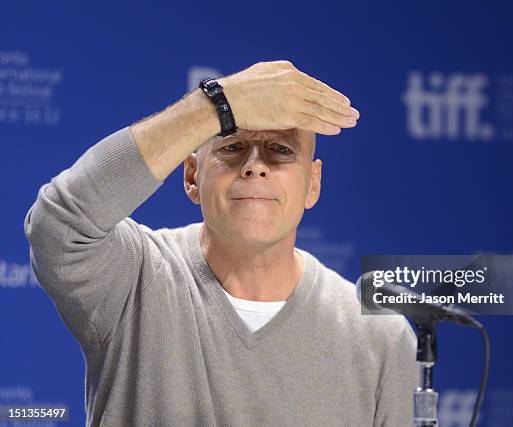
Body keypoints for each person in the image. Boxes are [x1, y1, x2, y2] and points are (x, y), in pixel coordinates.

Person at [24, 60, 418, 426]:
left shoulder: (380, 337)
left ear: (313, 184)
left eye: (280, 150)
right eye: (231, 147)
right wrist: (214, 105)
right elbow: (57, 225)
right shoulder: (135, 275)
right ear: (192, 176)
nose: (254, 165)